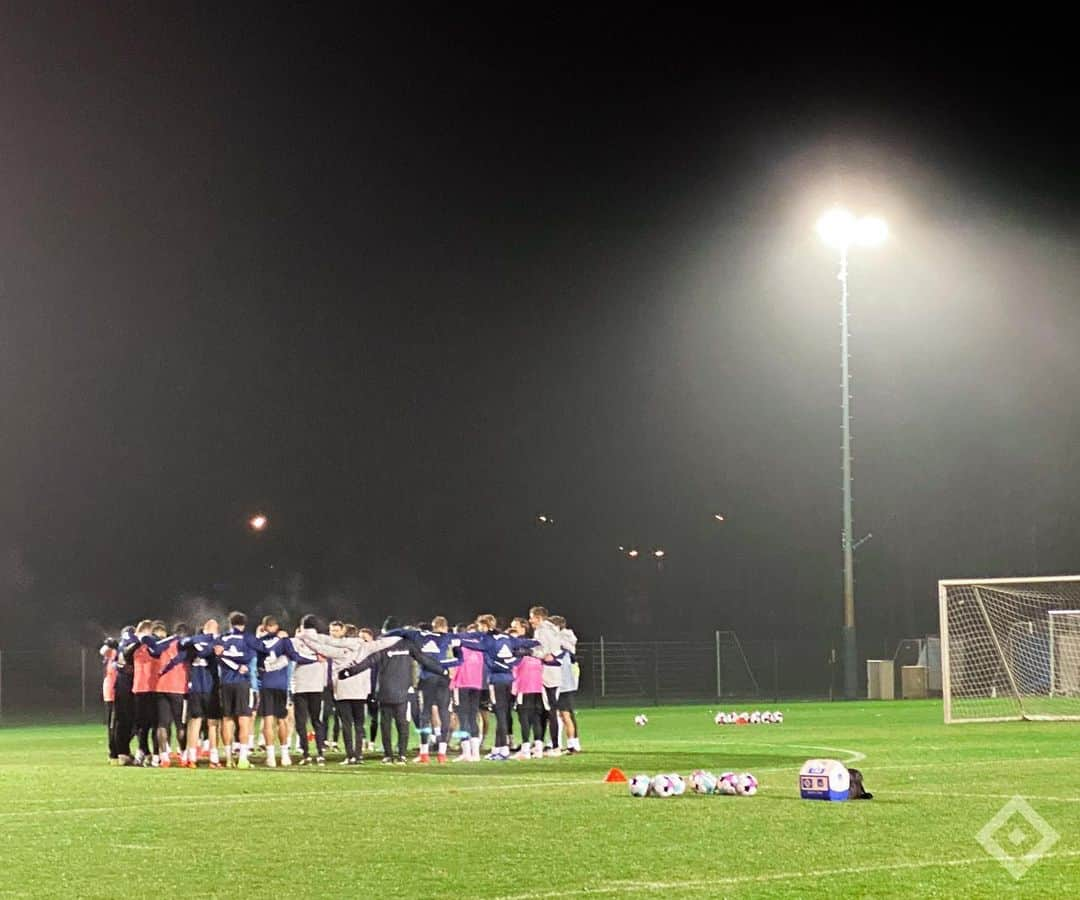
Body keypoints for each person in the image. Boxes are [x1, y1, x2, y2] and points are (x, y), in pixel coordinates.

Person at [338, 617, 445, 764]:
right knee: (403, 724)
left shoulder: (383, 646)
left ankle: (388, 755)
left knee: (386, 724)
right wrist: (442, 671)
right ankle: (401, 754)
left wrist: (350, 671)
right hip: (403, 691)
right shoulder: (408, 644)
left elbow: (369, 661)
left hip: (385, 691)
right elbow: (424, 660)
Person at [297, 623, 396, 765]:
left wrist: (304, 638)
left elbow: (320, 647)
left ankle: (350, 756)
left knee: (346, 724)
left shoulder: (339, 651)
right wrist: (402, 636)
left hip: (343, 691)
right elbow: (383, 644)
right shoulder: (365, 648)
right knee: (359, 725)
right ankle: (359, 755)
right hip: (360, 693)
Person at [214, 611, 268, 769]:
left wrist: (225, 655)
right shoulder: (248, 638)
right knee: (244, 719)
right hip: (243, 683)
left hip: (225, 683)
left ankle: (229, 757)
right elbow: (262, 650)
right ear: (245, 623)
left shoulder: (222, 638)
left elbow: (217, 654)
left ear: (230, 623)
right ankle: (243, 758)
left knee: (227, 719)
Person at [180, 619, 222, 768]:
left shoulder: (192, 641)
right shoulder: (217, 641)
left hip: (195, 686)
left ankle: (191, 757)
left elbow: (183, 655)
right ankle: (214, 758)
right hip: (210, 686)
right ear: (214, 629)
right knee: (212, 723)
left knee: (195, 721)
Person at [148, 622, 190, 767]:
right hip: (178, 688)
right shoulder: (185, 644)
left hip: (161, 687)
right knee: (181, 724)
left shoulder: (165, 642)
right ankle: (184, 756)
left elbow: (153, 650)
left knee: (162, 724)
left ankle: (164, 756)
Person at [291, 615, 329, 765]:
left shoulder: (296, 640)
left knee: (301, 721)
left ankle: (305, 754)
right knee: (316, 720)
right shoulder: (322, 640)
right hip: (316, 685)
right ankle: (320, 753)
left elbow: (293, 658)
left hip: (299, 685)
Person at [529, 606, 564, 756]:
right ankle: (544, 743)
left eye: (532, 617)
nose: (530, 621)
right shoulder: (553, 629)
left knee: (549, 710)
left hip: (546, 675)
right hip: (553, 674)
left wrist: (530, 652)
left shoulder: (542, 630)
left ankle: (555, 746)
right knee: (546, 709)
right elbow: (559, 649)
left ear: (538, 617)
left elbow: (542, 652)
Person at [509, 617, 545, 759]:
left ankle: (525, 750)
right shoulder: (535, 651)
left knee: (524, 718)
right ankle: (538, 748)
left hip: (523, 688)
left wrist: (513, 691)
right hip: (537, 688)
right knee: (536, 718)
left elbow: (514, 670)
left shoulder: (517, 652)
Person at [549, 615, 581, 753]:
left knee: (565, 714)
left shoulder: (561, 646)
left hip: (562, 684)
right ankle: (562, 743)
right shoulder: (564, 643)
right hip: (565, 683)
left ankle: (572, 744)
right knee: (562, 714)